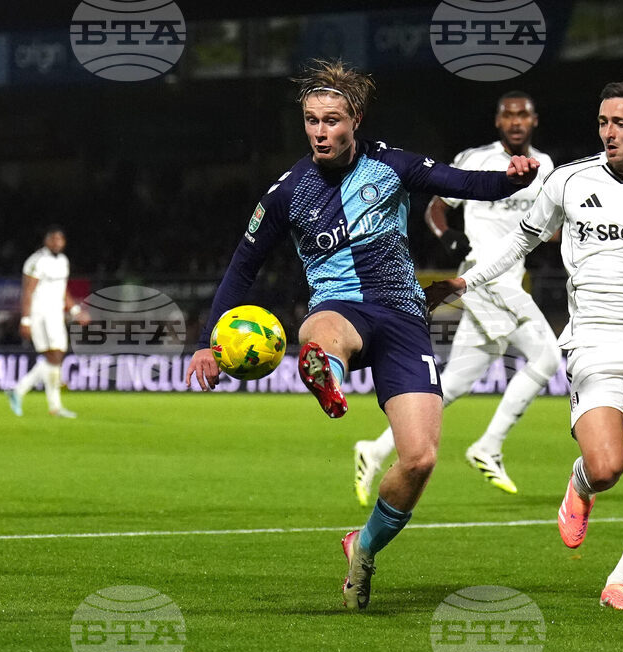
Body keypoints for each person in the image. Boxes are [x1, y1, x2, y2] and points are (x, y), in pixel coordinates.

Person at [184, 60, 539, 611]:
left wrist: (514, 178)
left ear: (356, 119)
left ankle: (364, 546)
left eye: (331, 120)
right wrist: (210, 341)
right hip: (342, 308)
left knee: (419, 459)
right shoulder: (287, 193)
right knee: (321, 332)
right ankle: (324, 369)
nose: (320, 132)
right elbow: (242, 266)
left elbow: (463, 182)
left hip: (403, 317)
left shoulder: (392, 165)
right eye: (310, 121)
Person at [427, 81, 623, 611]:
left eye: (621, 124)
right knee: (608, 467)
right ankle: (582, 483)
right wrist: (465, 283)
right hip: (593, 342)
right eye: (603, 123)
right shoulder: (567, 180)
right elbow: (518, 242)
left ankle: (619, 582)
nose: (609, 133)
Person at [352, 91, 559, 505]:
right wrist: (448, 238)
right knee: (549, 357)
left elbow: (547, 227)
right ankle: (489, 446)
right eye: (509, 115)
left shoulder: (545, 166)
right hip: (484, 276)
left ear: (534, 121)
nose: (516, 121)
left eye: (524, 115)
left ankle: (373, 450)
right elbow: (435, 209)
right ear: (498, 122)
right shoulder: (476, 159)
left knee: (451, 385)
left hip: (511, 279)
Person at [5, 228, 88, 418]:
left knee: (56, 355)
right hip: (39, 314)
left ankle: (19, 392)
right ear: (47, 241)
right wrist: (25, 320)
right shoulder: (37, 261)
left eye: (61, 239)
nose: (58, 242)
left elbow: (62, 289)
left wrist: (75, 311)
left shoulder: (63, 261)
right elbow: (27, 291)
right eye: (54, 239)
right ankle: (54, 406)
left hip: (56, 315)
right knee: (54, 356)